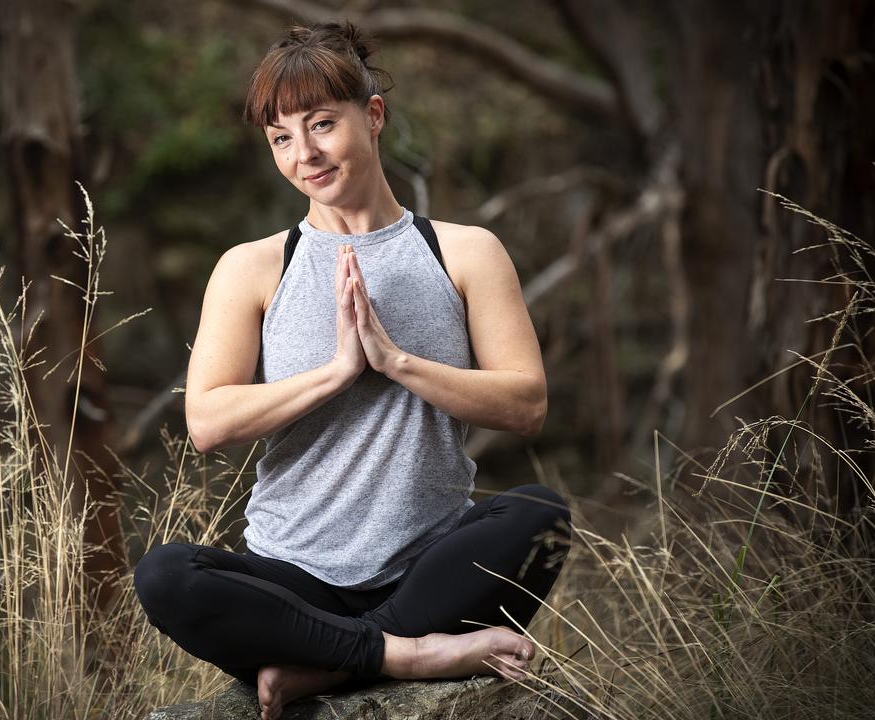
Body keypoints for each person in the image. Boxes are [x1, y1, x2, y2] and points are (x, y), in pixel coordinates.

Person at [133, 20, 572, 720]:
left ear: (372, 116)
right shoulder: (252, 268)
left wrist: (394, 362)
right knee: (165, 576)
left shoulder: (464, 253)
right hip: (294, 579)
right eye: (281, 138)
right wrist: (337, 372)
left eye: (321, 124)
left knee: (540, 514)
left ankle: (325, 663)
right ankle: (407, 654)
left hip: (430, 564)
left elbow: (526, 405)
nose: (304, 153)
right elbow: (207, 423)